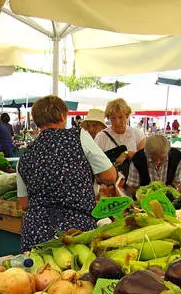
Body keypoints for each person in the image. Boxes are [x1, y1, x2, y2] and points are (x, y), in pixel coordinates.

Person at [16, 95, 117, 252]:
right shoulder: (78, 136)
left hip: (36, 234)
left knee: (36, 276)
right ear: (63, 116)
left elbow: (24, 204)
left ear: (37, 121)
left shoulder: (25, 155)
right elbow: (110, 176)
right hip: (75, 233)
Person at [94, 98, 146, 179]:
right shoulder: (101, 137)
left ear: (127, 115)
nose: (117, 121)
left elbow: (144, 158)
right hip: (109, 184)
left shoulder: (137, 134)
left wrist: (126, 154)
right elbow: (95, 161)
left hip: (133, 181)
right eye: (113, 118)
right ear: (108, 118)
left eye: (121, 117)